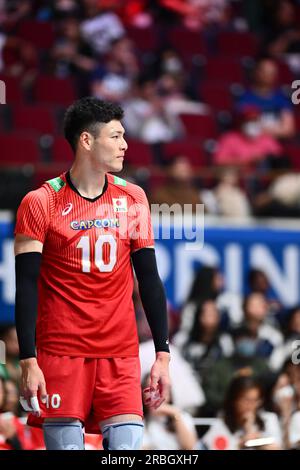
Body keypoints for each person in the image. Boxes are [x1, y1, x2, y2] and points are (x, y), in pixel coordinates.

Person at [14, 97, 171, 450]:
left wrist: (162, 354)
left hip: (120, 354)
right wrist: (28, 359)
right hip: (61, 353)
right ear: (87, 140)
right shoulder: (39, 202)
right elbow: (25, 285)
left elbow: (149, 278)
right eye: (115, 136)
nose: (125, 144)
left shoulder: (133, 198)